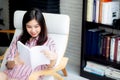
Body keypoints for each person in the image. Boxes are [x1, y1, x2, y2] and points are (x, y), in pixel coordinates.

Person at [0, 8, 58, 80]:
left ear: (42, 25)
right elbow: (8, 66)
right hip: (9, 74)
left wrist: (54, 59)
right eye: (29, 27)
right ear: (25, 26)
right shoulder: (18, 39)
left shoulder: (49, 42)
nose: (33, 30)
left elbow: (50, 67)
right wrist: (15, 61)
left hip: (30, 77)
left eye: (36, 26)